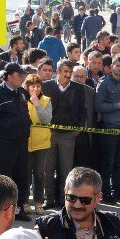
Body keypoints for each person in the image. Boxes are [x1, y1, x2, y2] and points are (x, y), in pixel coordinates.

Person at [0, 63, 33, 222]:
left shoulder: (22, 92)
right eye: (19, 75)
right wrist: (0, 134)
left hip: (21, 143)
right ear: (9, 76)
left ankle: (18, 210)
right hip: (4, 145)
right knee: (2, 179)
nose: (23, 78)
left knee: (21, 178)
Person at [41, 60, 87, 208]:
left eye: (70, 72)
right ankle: (48, 199)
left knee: (66, 170)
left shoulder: (78, 88)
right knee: (48, 169)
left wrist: (79, 128)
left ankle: (63, 200)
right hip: (49, 133)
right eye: (65, 71)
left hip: (68, 135)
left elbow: (83, 110)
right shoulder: (46, 86)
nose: (68, 75)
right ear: (58, 71)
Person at [94, 54, 120, 202]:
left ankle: (116, 191)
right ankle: (106, 193)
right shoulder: (104, 83)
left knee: (119, 163)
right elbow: (98, 106)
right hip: (110, 128)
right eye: (118, 66)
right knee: (108, 163)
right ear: (112, 67)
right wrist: (117, 106)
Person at [22, 73, 53, 214]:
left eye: (38, 86)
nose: (36, 88)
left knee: (39, 174)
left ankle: (39, 202)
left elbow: (46, 119)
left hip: (42, 143)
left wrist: (37, 104)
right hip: (25, 141)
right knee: (25, 173)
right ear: (27, 87)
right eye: (33, 86)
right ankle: (24, 202)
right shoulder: (22, 99)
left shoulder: (46, 100)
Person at [71, 65, 99, 171]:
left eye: (82, 76)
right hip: (68, 134)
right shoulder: (67, 89)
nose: (79, 79)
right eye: (76, 76)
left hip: (85, 134)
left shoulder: (90, 91)